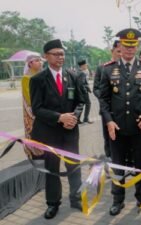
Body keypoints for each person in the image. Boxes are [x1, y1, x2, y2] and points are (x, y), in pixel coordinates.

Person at [99, 28, 141, 216]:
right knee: (117, 164)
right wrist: (108, 121)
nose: (130, 49)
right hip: (116, 128)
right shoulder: (108, 69)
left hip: (139, 128)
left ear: (137, 46)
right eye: (126, 45)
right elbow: (103, 100)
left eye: (133, 46)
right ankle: (118, 199)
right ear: (119, 46)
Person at [29, 39, 85, 219]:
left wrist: (73, 117)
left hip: (70, 131)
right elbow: (37, 108)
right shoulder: (38, 79)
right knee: (52, 168)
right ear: (46, 57)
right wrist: (59, 117)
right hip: (49, 132)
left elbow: (81, 101)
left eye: (62, 54)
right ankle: (53, 203)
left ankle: (76, 198)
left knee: (73, 166)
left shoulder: (73, 75)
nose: (60, 57)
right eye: (56, 54)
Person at [93, 40, 121, 157]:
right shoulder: (102, 68)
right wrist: (105, 98)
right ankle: (110, 159)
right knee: (109, 137)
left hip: (123, 109)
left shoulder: (129, 67)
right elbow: (96, 88)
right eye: (118, 51)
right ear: (112, 51)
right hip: (108, 110)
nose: (121, 54)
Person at [21, 53, 44, 158]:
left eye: (41, 60)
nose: (41, 63)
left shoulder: (41, 75)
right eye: (37, 60)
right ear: (30, 64)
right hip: (33, 112)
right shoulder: (26, 78)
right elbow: (29, 99)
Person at [77, 59, 93, 124]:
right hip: (83, 92)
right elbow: (81, 84)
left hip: (80, 91)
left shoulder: (79, 72)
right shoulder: (82, 73)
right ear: (82, 66)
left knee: (81, 105)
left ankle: (78, 119)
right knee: (88, 104)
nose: (86, 66)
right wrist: (86, 90)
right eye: (85, 65)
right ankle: (86, 119)